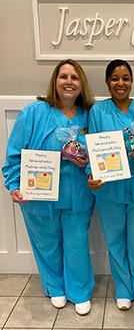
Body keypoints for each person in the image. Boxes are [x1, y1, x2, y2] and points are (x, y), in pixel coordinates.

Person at [2, 59, 95, 316]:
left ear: (81, 84)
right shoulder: (34, 113)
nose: (68, 82)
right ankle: (55, 287)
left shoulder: (90, 115)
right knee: (47, 243)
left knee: (76, 243)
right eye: (63, 76)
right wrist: (14, 185)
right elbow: (14, 155)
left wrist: (87, 162)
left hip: (78, 194)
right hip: (39, 194)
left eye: (74, 77)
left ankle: (79, 290)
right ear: (55, 81)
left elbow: (101, 155)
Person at [87, 59, 134, 310]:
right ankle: (123, 288)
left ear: (132, 81)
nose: (120, 83)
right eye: (115, 78)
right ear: (107, 82)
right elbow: (92, 148)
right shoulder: (97, 112)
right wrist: (90, 175)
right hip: (109, 190)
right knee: (114, 241)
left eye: (125, 78)